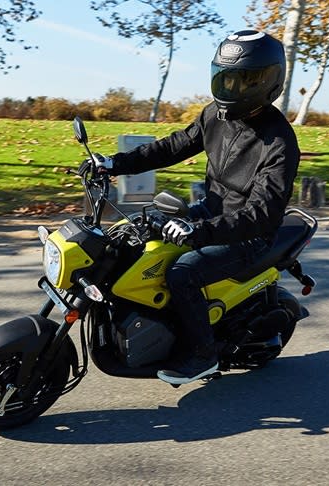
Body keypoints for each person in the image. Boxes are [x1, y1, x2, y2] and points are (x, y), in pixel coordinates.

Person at [87, 29, 301, 385]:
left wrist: (198, 231)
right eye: (225, 78)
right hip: (211, 213)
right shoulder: (215, 116)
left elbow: (262, 214)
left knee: (183, 271)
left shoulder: (279, 142)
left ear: (268, 82)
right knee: (138, 241)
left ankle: (203, 355)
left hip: (250, 235)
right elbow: (171, 147)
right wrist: (113, 164)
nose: (231, 89)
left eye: (243, 81)